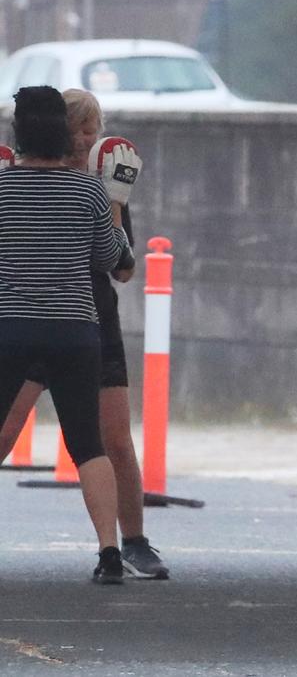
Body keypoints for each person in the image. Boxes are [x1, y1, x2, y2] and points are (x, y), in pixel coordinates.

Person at [0, 88, 169, 579]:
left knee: (111, 438)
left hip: (85, 320)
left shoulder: (103, 185)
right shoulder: (83, 190)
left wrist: (117, 201)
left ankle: (132, 542)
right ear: (58, 132)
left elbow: (122, 268)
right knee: (14, 431)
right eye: (75, 128)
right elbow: (116, 260)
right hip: (73, 328)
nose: (84, 139)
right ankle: (111, 551)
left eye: (91, 129)